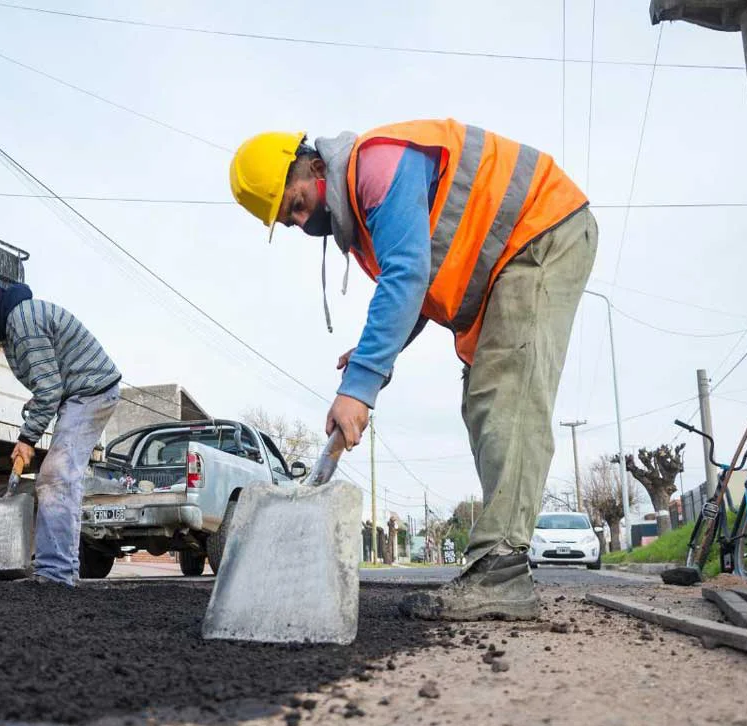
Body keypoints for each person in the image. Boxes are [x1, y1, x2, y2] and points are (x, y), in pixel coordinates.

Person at [229, 120, 597, 621]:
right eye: (288, 221)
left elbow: (406, 276)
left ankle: (502, 573)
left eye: (295, 204)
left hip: (539, 229)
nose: (300, 223)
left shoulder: (375, 168)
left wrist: (360, 385)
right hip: (511, 255)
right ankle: (500, 566)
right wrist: (369, 357)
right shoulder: (362, 216)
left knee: (506, 393)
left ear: (317, 168)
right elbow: (417, 294)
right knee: (485, 400)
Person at [0, 260, 121, 586]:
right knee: (52, 477)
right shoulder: (12, 326)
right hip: (76, 393)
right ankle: (53, 571)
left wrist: (27, 438)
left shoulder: (21, 322)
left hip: (92, 393)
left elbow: (49, 389)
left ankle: (56, 574)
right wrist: (41, 399)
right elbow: (50, 380)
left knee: (56, 477)